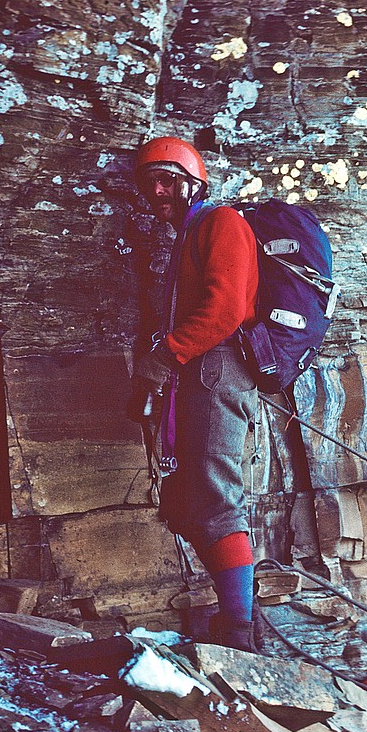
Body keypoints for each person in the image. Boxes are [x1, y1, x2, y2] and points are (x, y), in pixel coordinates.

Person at [127, 136, 262, 650]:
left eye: (168, 179)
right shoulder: (187, 235)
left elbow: (225, 311)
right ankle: (236, 613)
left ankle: (239, 631)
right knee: (184, 500)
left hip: (215, 367)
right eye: (148, 182)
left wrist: (164, 356)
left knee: (215, 495)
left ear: (194, 182)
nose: (157, 190)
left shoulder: (221, 223)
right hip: (194, 370)